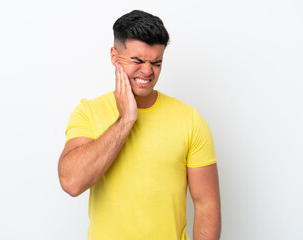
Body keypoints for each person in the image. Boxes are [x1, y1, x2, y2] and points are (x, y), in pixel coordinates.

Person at [58, 10, 221, 240]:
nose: (147, 71)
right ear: (114, 55)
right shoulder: (88, 112)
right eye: (137, 60)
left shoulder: (190, 120)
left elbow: (207, 205)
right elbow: (71, 182)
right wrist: (126, 120)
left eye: (156, 62)